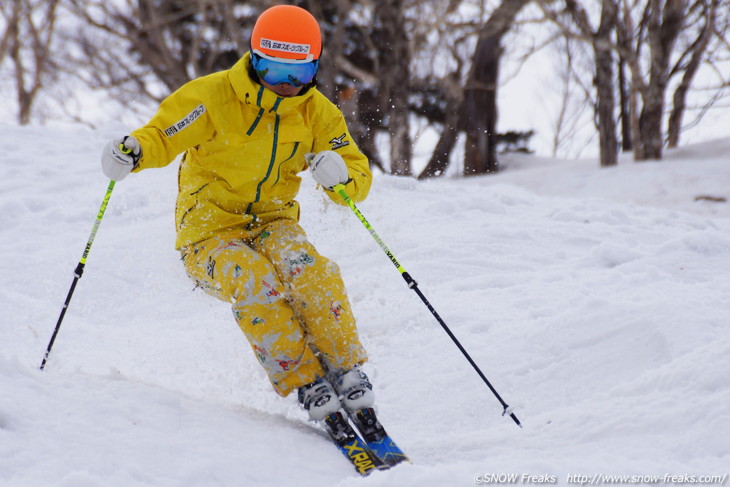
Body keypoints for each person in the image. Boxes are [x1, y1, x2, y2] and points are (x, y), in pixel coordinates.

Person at [101, 5, 375, 422]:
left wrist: (341, 178)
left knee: (311, 271)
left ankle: (346, 368)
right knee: (255, 278)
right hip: (208, 233)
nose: (285, 84)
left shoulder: (317, 113)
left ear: (315, 68)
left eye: (297, 74)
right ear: (254, 58)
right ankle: (305, 380)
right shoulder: (213, 97)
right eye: (274, 69)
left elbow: (356, 177)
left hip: (274, 223)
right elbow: (161, 134)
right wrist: (133, 153)